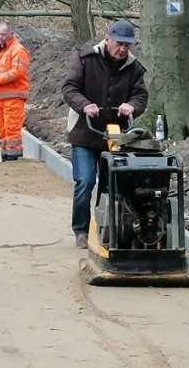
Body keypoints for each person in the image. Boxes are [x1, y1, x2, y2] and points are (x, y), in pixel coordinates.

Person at [62, 20, 148, 248]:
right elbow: (69, 88)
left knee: (111, 186)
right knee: (86, 180)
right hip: (85, 134)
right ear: (108, 38)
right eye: (119, 44)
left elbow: (141, 96)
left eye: (127, 46)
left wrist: (132, 106)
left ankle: (107, 228)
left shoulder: (134, 68)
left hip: (115, 137)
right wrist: (84, 105)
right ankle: (81, 229)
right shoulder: (86, 59)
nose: (123, 50)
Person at [0, 22, 30, 161]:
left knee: (12, 130)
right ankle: (4, 157)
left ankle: (13, 159)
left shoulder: (18, 50)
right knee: (1, 130)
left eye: (3, 34)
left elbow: (18, 72)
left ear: (11, 34)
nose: (0, 37)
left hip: (13, 97)